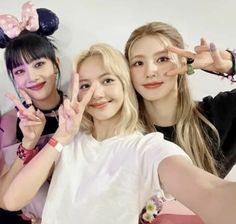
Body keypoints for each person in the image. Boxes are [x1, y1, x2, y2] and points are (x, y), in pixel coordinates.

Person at [3, 43, 236, 224]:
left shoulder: (148, 148)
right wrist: (60, 139)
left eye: (107, 80)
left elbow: (211, 192)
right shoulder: (66, 143)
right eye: (85, 85)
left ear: (125, 85)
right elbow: (12, 200)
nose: (96, 93)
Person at [124, 21, 236, 223]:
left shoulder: (218, 116)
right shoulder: (124, 136)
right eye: (138, 63)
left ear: (184, 62)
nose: (150, 71)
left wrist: (230, 64)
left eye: (163, 59)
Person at [0, 2, 65, 223]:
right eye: (19, 71)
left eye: (38, 64)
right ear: (14, 79)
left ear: (56, 64)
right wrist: (27, 145)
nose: (31, 78)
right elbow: (2, 198)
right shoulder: (9, 123)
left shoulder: (79, 110)